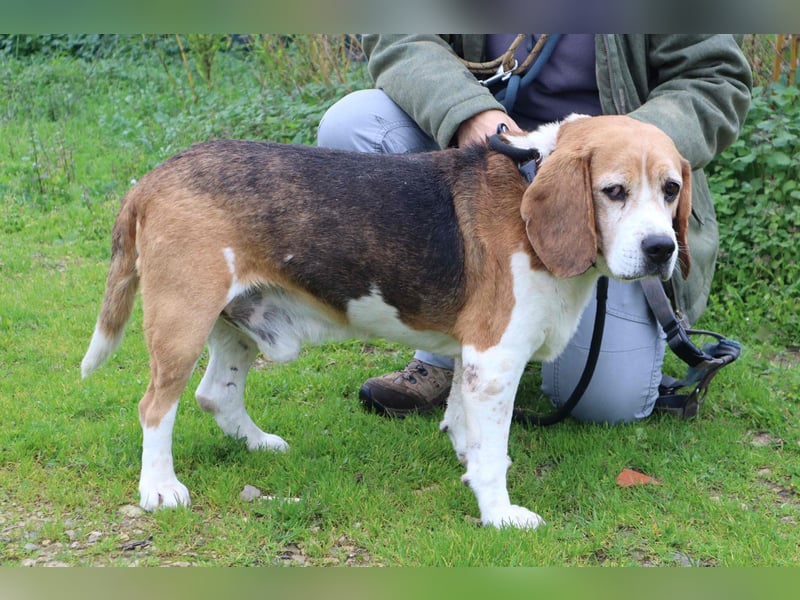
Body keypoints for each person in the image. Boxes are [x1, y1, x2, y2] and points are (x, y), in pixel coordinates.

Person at [316, 34, 752, 424]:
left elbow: (717, 78)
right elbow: (399, 31)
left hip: (615, 188)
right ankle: (449, 348)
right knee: (355, 122)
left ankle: (543, 327)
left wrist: (626, 142)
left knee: (606, 405)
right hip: (487, 162)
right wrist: (469, 114)